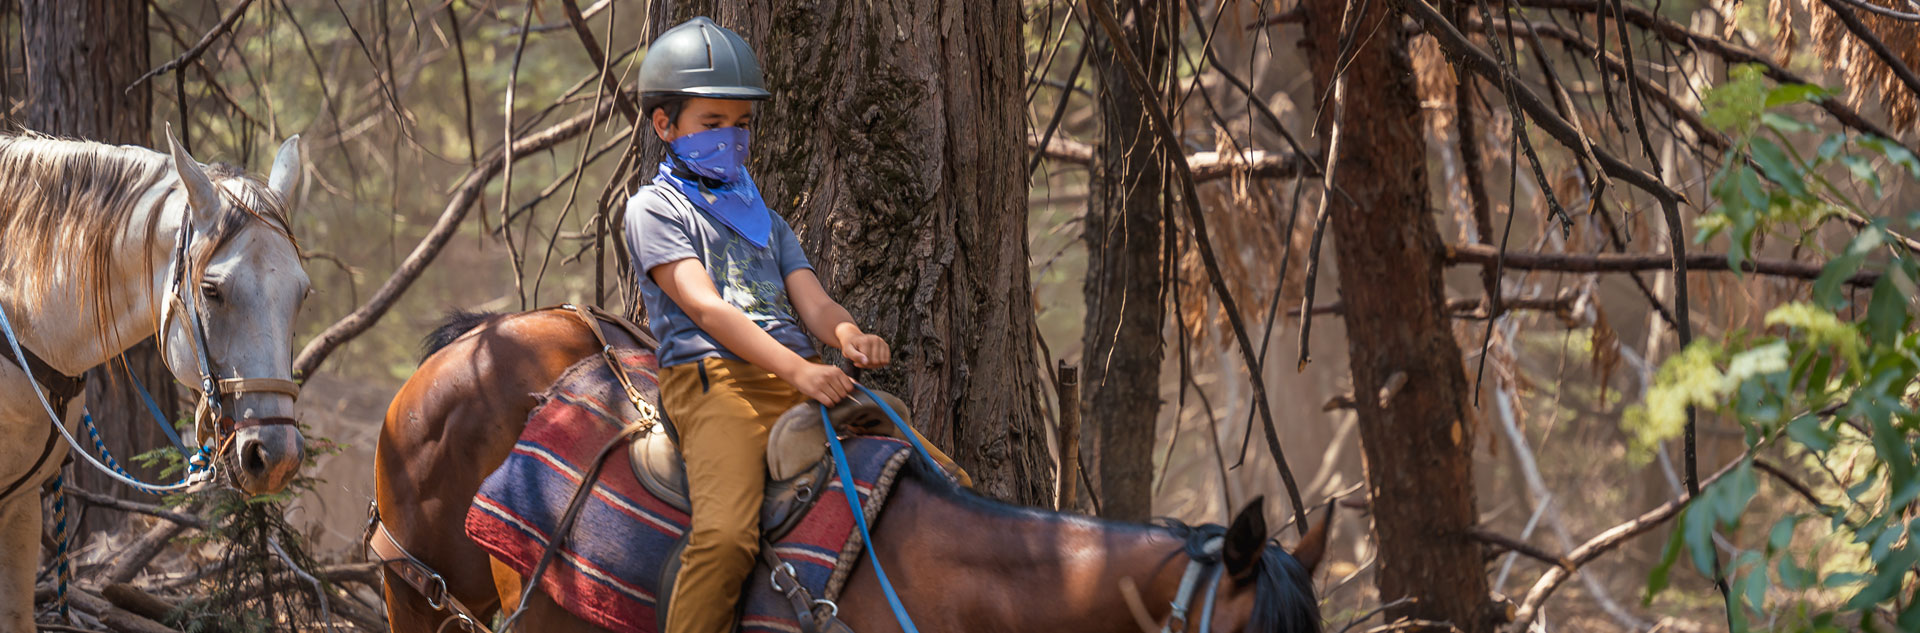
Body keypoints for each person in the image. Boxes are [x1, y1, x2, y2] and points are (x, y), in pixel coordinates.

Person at [624, 16, 970, 633]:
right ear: (664, 125)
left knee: (947, 479)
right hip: (713, 385)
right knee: (727, 537)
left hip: (793, 377)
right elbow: (706, 308)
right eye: (712, 124)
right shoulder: (654, 209)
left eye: (742, 124)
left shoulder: (766, 220)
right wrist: (801, 371)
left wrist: (847, 337)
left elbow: (814, 304)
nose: (730, 138)